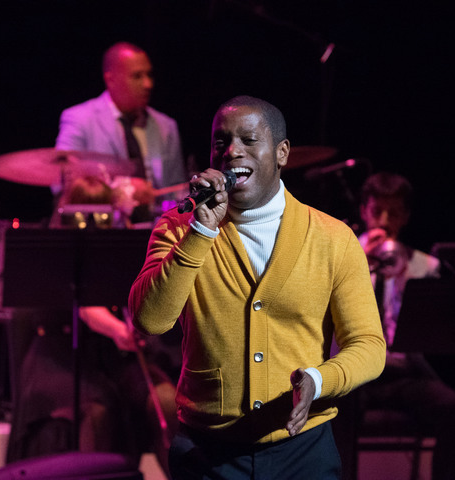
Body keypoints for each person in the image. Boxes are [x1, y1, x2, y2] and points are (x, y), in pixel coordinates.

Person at [128, 95, 386, 479]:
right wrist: (201, 232)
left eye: (249, 140)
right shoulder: (178, 228)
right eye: (221, 142)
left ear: (282, 153)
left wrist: (318, 380)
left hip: (303, 450)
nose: (232, 151)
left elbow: (369, 345)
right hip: (207, 451)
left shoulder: (333, 238)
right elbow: (150, 320)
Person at [5, 175, 179, 478]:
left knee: (166, 400)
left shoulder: (117, 243)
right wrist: (119, 330)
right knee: (98, 413)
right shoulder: (56, 250)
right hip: (58, 358)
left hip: (108, 360)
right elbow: (88, 309)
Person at [341, 171, 455, 480]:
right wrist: (361, 260)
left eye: (395, 213)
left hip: (400, 374)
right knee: (334, 407)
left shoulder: (424, 267)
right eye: (377, 211)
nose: (384, 221)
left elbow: (435, 332)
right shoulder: (342, 256)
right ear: (364, 211)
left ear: (406, 217)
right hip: (354, 373)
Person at [55, 41, 187, 197]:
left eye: (149, 75)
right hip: (103, 220)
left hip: (157, 219)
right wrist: (122, 191)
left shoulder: (166, 126)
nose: (148, 84)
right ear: (111, 80)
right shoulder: (80, 119)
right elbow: (59, 182)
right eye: (137, 76)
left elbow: (177, 190)